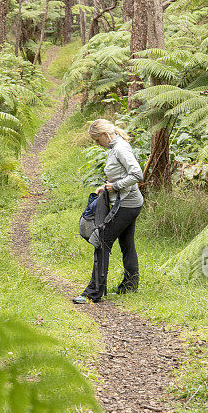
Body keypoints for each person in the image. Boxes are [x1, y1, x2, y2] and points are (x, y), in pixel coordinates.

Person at [73, 119, 143, 304]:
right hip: (129, 202)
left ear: (105, 135)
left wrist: (115, 186)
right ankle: (129, 285)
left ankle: (93, 293)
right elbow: (119, 173)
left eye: (97, 140)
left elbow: (137, 174)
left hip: (127, 204)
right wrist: (105, 188)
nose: (97, 144)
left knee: (101, 240)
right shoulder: (115, 147)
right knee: (127, 243)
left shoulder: (120, 147)